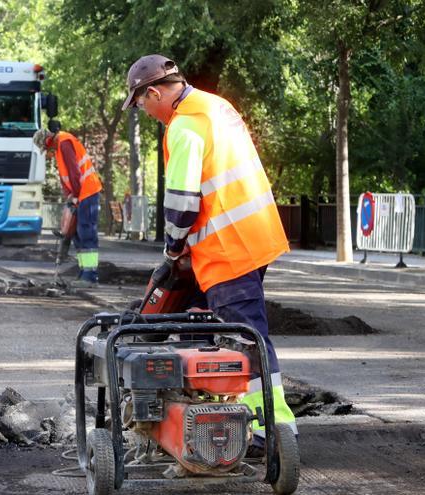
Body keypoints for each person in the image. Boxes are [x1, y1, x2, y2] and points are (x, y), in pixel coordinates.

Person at [122, 54, 297, 451]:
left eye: (141, 104)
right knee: (206, 326)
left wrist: (171, 253)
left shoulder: (184, 127)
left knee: (247, 338)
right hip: (254, 235)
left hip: (227, 248)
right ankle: (218, 413)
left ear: (153, 93)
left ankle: (273, 429)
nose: (144, 112)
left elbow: (182, 204)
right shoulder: (216, 106)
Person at [34, 129, 103, 285]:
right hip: (80, 194)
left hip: (87, 193)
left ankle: (90, 276)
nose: (48, 154)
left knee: (86, 232)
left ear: (47, 142)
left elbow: (74, 172)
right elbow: (64, 177)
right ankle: (84, 272)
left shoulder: (64, 143)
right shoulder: (59, 146)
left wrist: (76, 195)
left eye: (47, 150)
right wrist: (70, 196)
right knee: (78, 235)